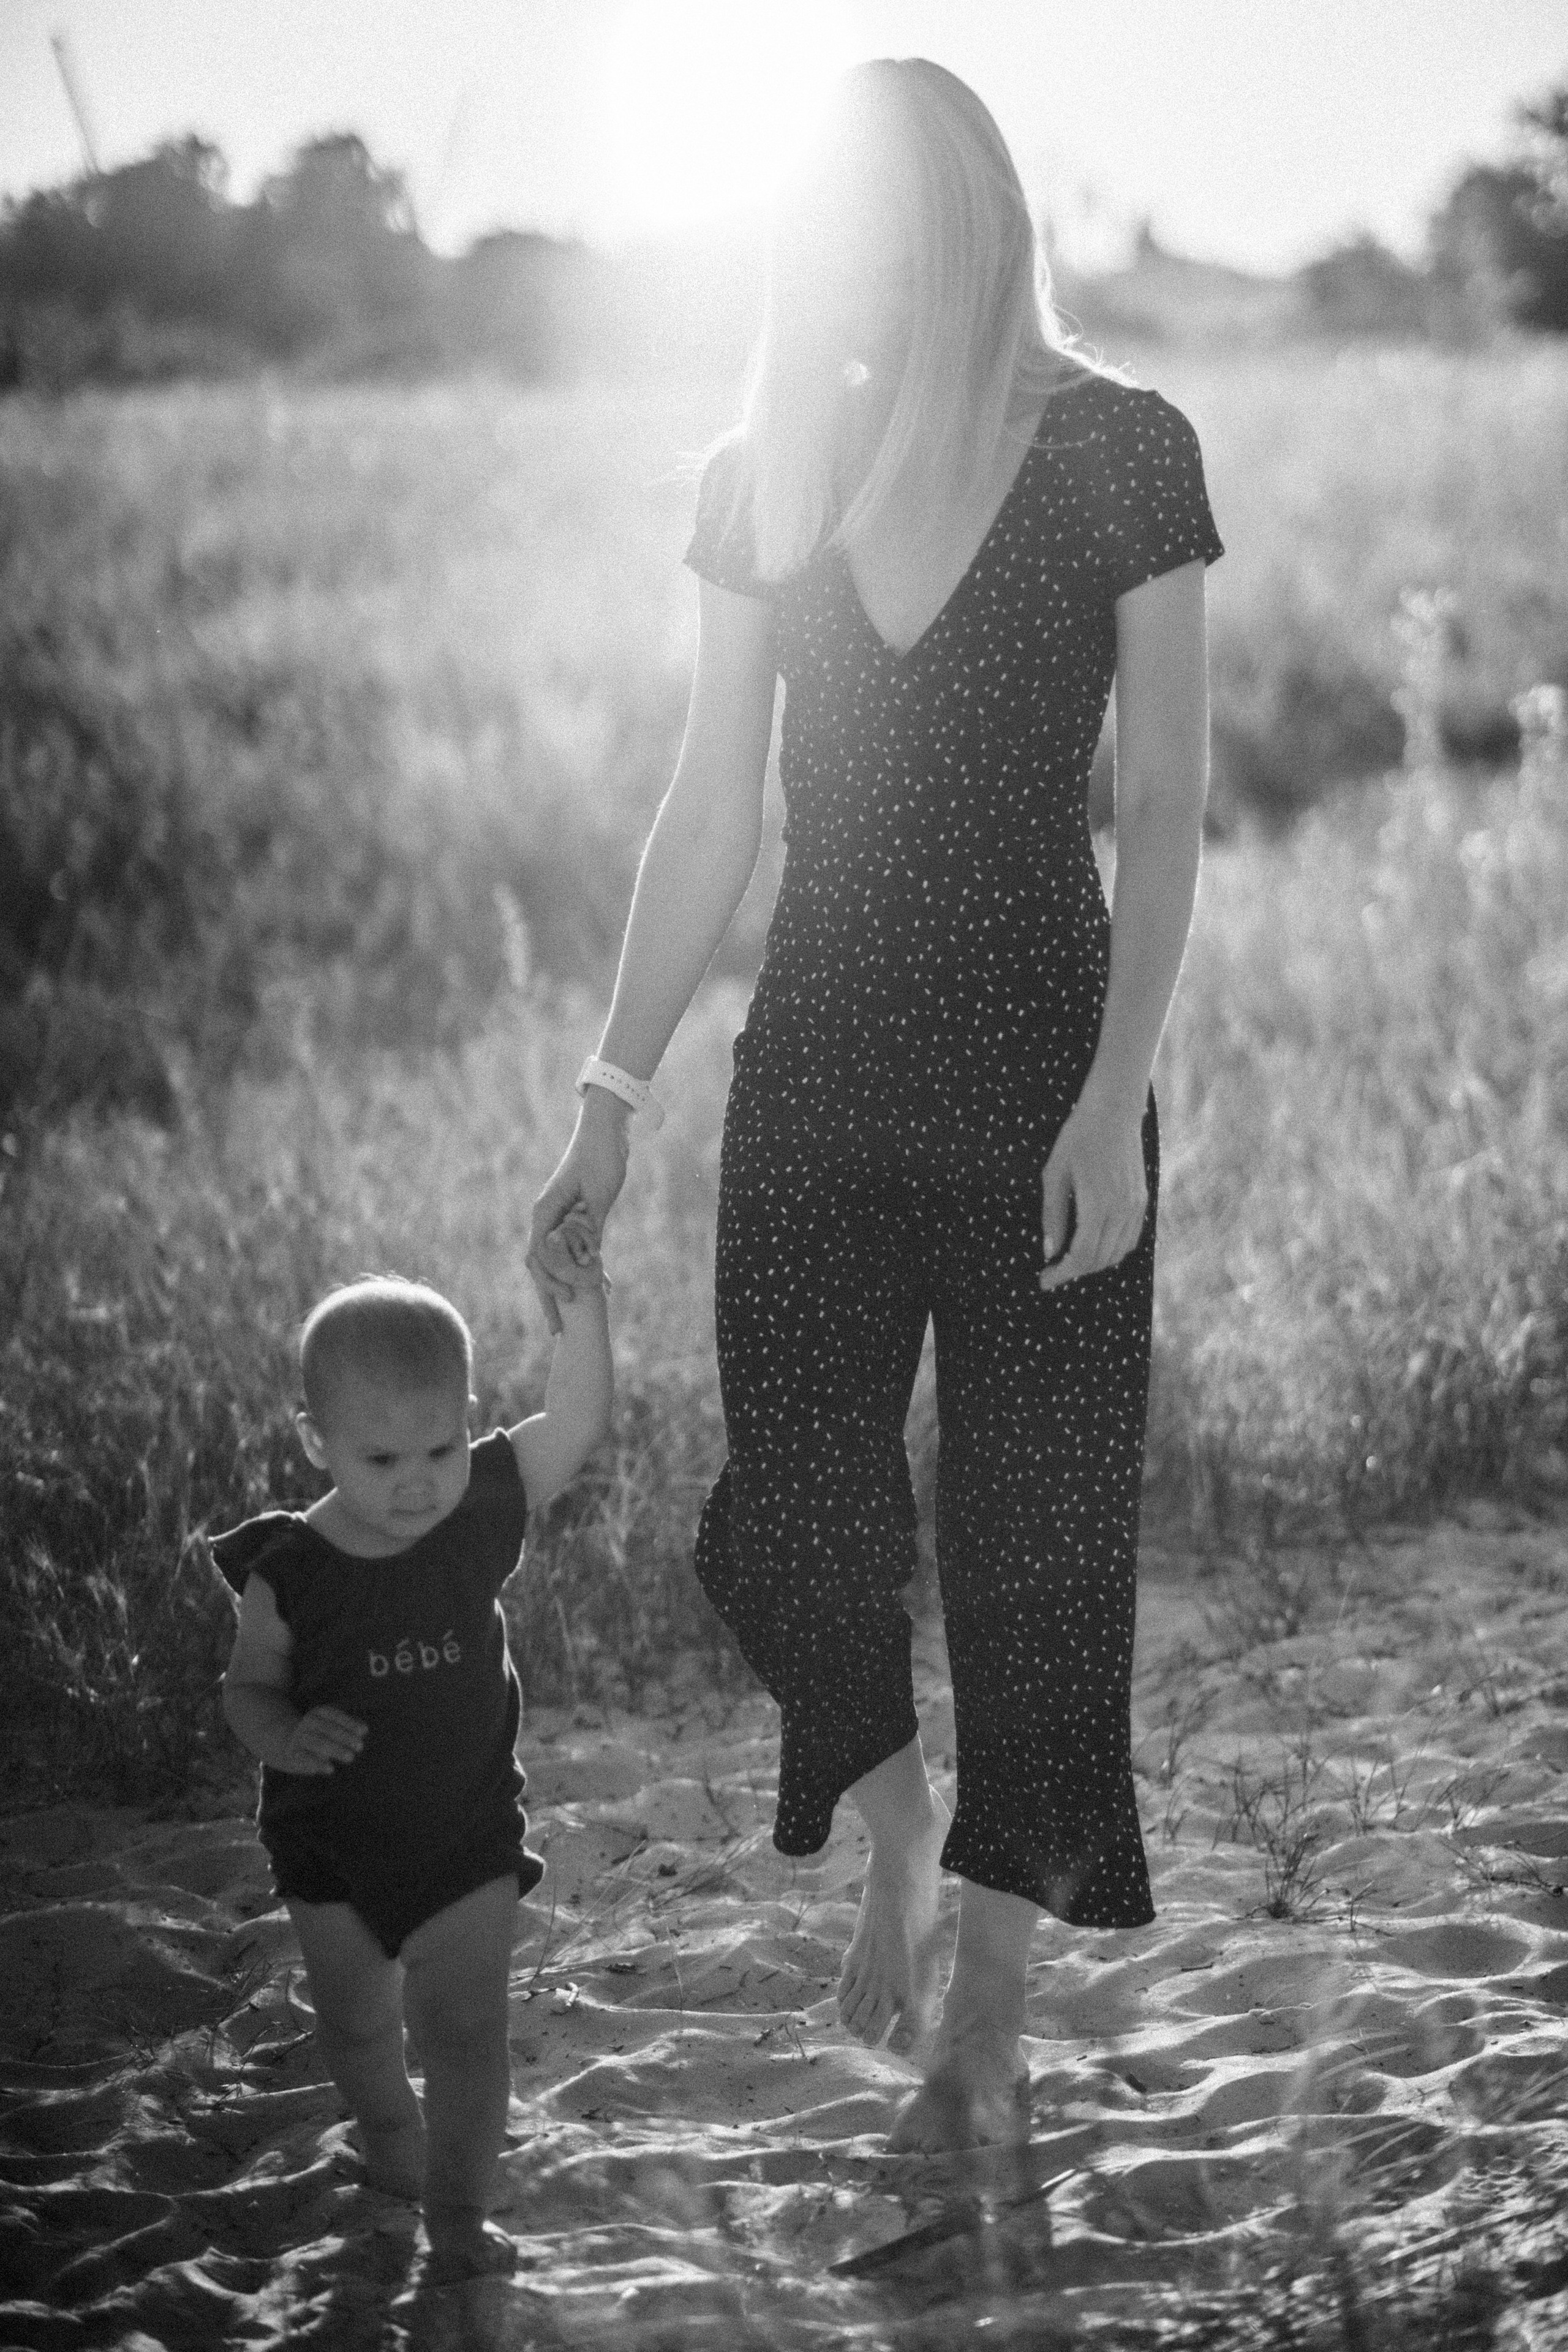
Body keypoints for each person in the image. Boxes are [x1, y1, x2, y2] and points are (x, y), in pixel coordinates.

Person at [528, 56, 1222, 2154]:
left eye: (896, 221)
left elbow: (1170, 800)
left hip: (1045, 1085)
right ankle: (896, 1828)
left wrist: (1117, 1098)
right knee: (794, 1523)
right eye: (827, 228)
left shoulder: (1122, 450)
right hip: (815, 1075)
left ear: (975, 222)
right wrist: (610, 1088)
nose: (865, 263)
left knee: (1037, 1561)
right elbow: (705, 806)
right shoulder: (761, 471)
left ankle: (985, 2048)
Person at [212, 1232, 610, 2277]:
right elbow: (246, 1689)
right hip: (330, 1848)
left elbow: (573, 1423)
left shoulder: (476, 1512)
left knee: (467, 2029)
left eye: (440, 1450)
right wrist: (285, 1734)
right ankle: (390, 2135)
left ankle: (460, 2214)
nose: (416, 1484)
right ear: (316, 1441)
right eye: (380, 1460)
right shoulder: (291, 1569)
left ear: (468, 1428)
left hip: (464, 1834)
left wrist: (584, 1306)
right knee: (354, 2030)